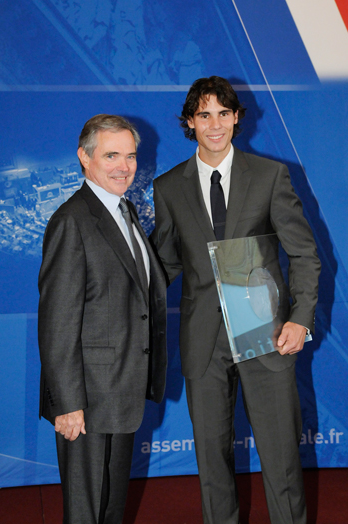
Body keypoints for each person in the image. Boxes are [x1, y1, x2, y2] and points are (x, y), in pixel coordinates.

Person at [151, 76, 321, 524]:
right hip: (203, 339)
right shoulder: (169, 187)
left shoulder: (270, 175)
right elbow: (163, 264)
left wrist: (300, 319)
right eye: (204, 114)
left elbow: (304, 253)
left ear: (237, 117)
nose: (215, 124)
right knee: (213, 465)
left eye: (223, 113)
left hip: (264, 331)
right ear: (190, 121)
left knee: (282, 459)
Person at [38, 114, 167, 524]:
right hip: (87, 400)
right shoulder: (71, 220)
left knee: (110, 508)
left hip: (122, 392)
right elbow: (57, 322)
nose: (123, 166)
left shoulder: (124, 210)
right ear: (85, 157)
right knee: (85, 511)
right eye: (111, 155)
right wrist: (68, 404)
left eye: (130, 156)